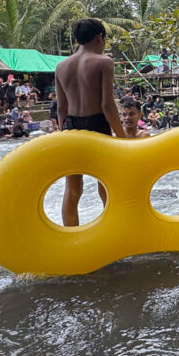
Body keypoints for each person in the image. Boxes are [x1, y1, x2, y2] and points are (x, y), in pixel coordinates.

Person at [55, 18, 126, 227]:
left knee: (73, 187)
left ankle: (71, 234)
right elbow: (107, 105)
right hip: (97, 124)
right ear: (99, 37)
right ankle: (111, 228)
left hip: (71, 125)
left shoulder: (61, 66)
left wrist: (65, 130)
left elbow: (61, 108)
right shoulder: (104, 62)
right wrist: (121, 136)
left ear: (77, 40)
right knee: (106, 182)